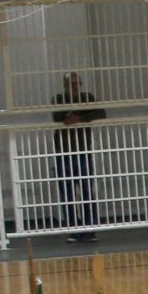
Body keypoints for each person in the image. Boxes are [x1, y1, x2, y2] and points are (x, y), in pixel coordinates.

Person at [49, 71, 102, 239]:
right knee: (68, 193)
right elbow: (59, 117)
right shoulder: (57, 99)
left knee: (87, 191)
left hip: (83, 150)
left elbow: (100, 113)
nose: (75, 87)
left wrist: (77, 117)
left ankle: (90, 229)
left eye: (77, 84)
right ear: (65, 86)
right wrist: (82, 115)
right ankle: (74, 229)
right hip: (63, 152)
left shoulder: (88, 97)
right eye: (71, 84)